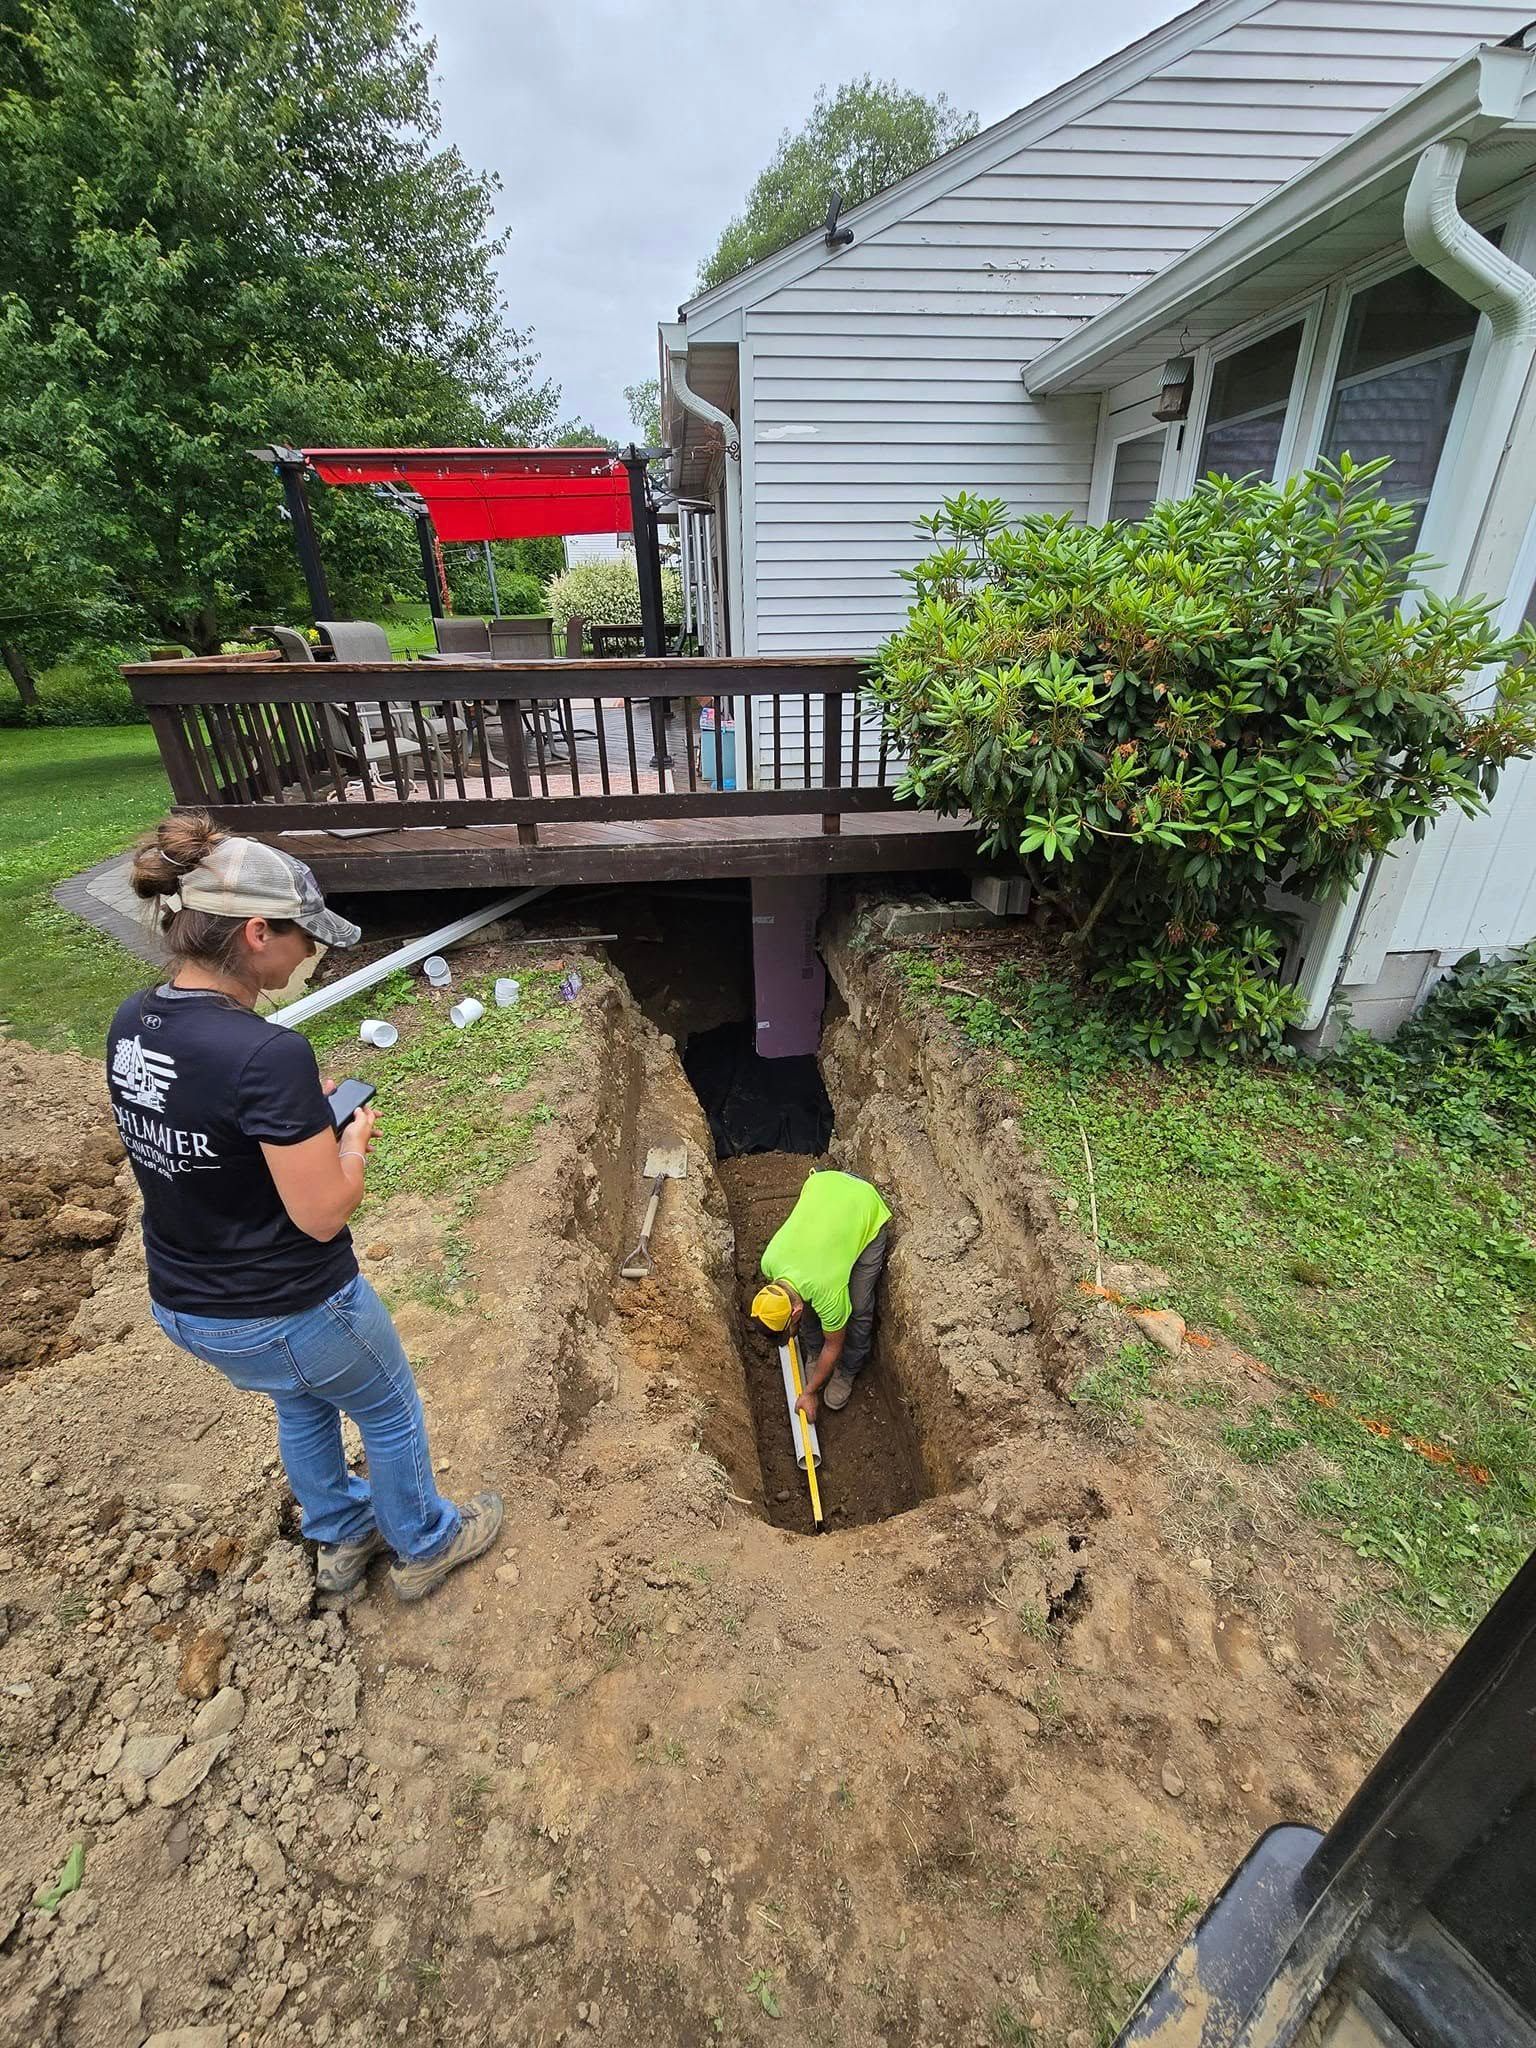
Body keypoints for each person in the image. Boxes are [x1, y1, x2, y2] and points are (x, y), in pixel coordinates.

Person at [108, 811, 502, 1603]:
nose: (311, 957)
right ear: (256, 932)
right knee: (387, 1410)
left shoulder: (135, 1021)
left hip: (190, 1305)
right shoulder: (265, 1052)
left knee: (303, 1402)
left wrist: (288, 1118)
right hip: (290, 1305)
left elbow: (205, 1130)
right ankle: (424, 1542)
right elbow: (324, 1213)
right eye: (304, 939)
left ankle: (341, 1537)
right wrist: (349, 1142)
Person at [750, 1169, 891, 1422]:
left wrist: (809, 1392)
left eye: (791, 1327)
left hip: (864, 1206)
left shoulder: (825, 1290)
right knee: (813, 1298)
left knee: (858, 1308)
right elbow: (805, 1295)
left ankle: (847, 1370)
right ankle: (814, 1352)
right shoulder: (769, 1262)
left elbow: (834, 1343)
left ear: (795, 1313)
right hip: (823, 1185)